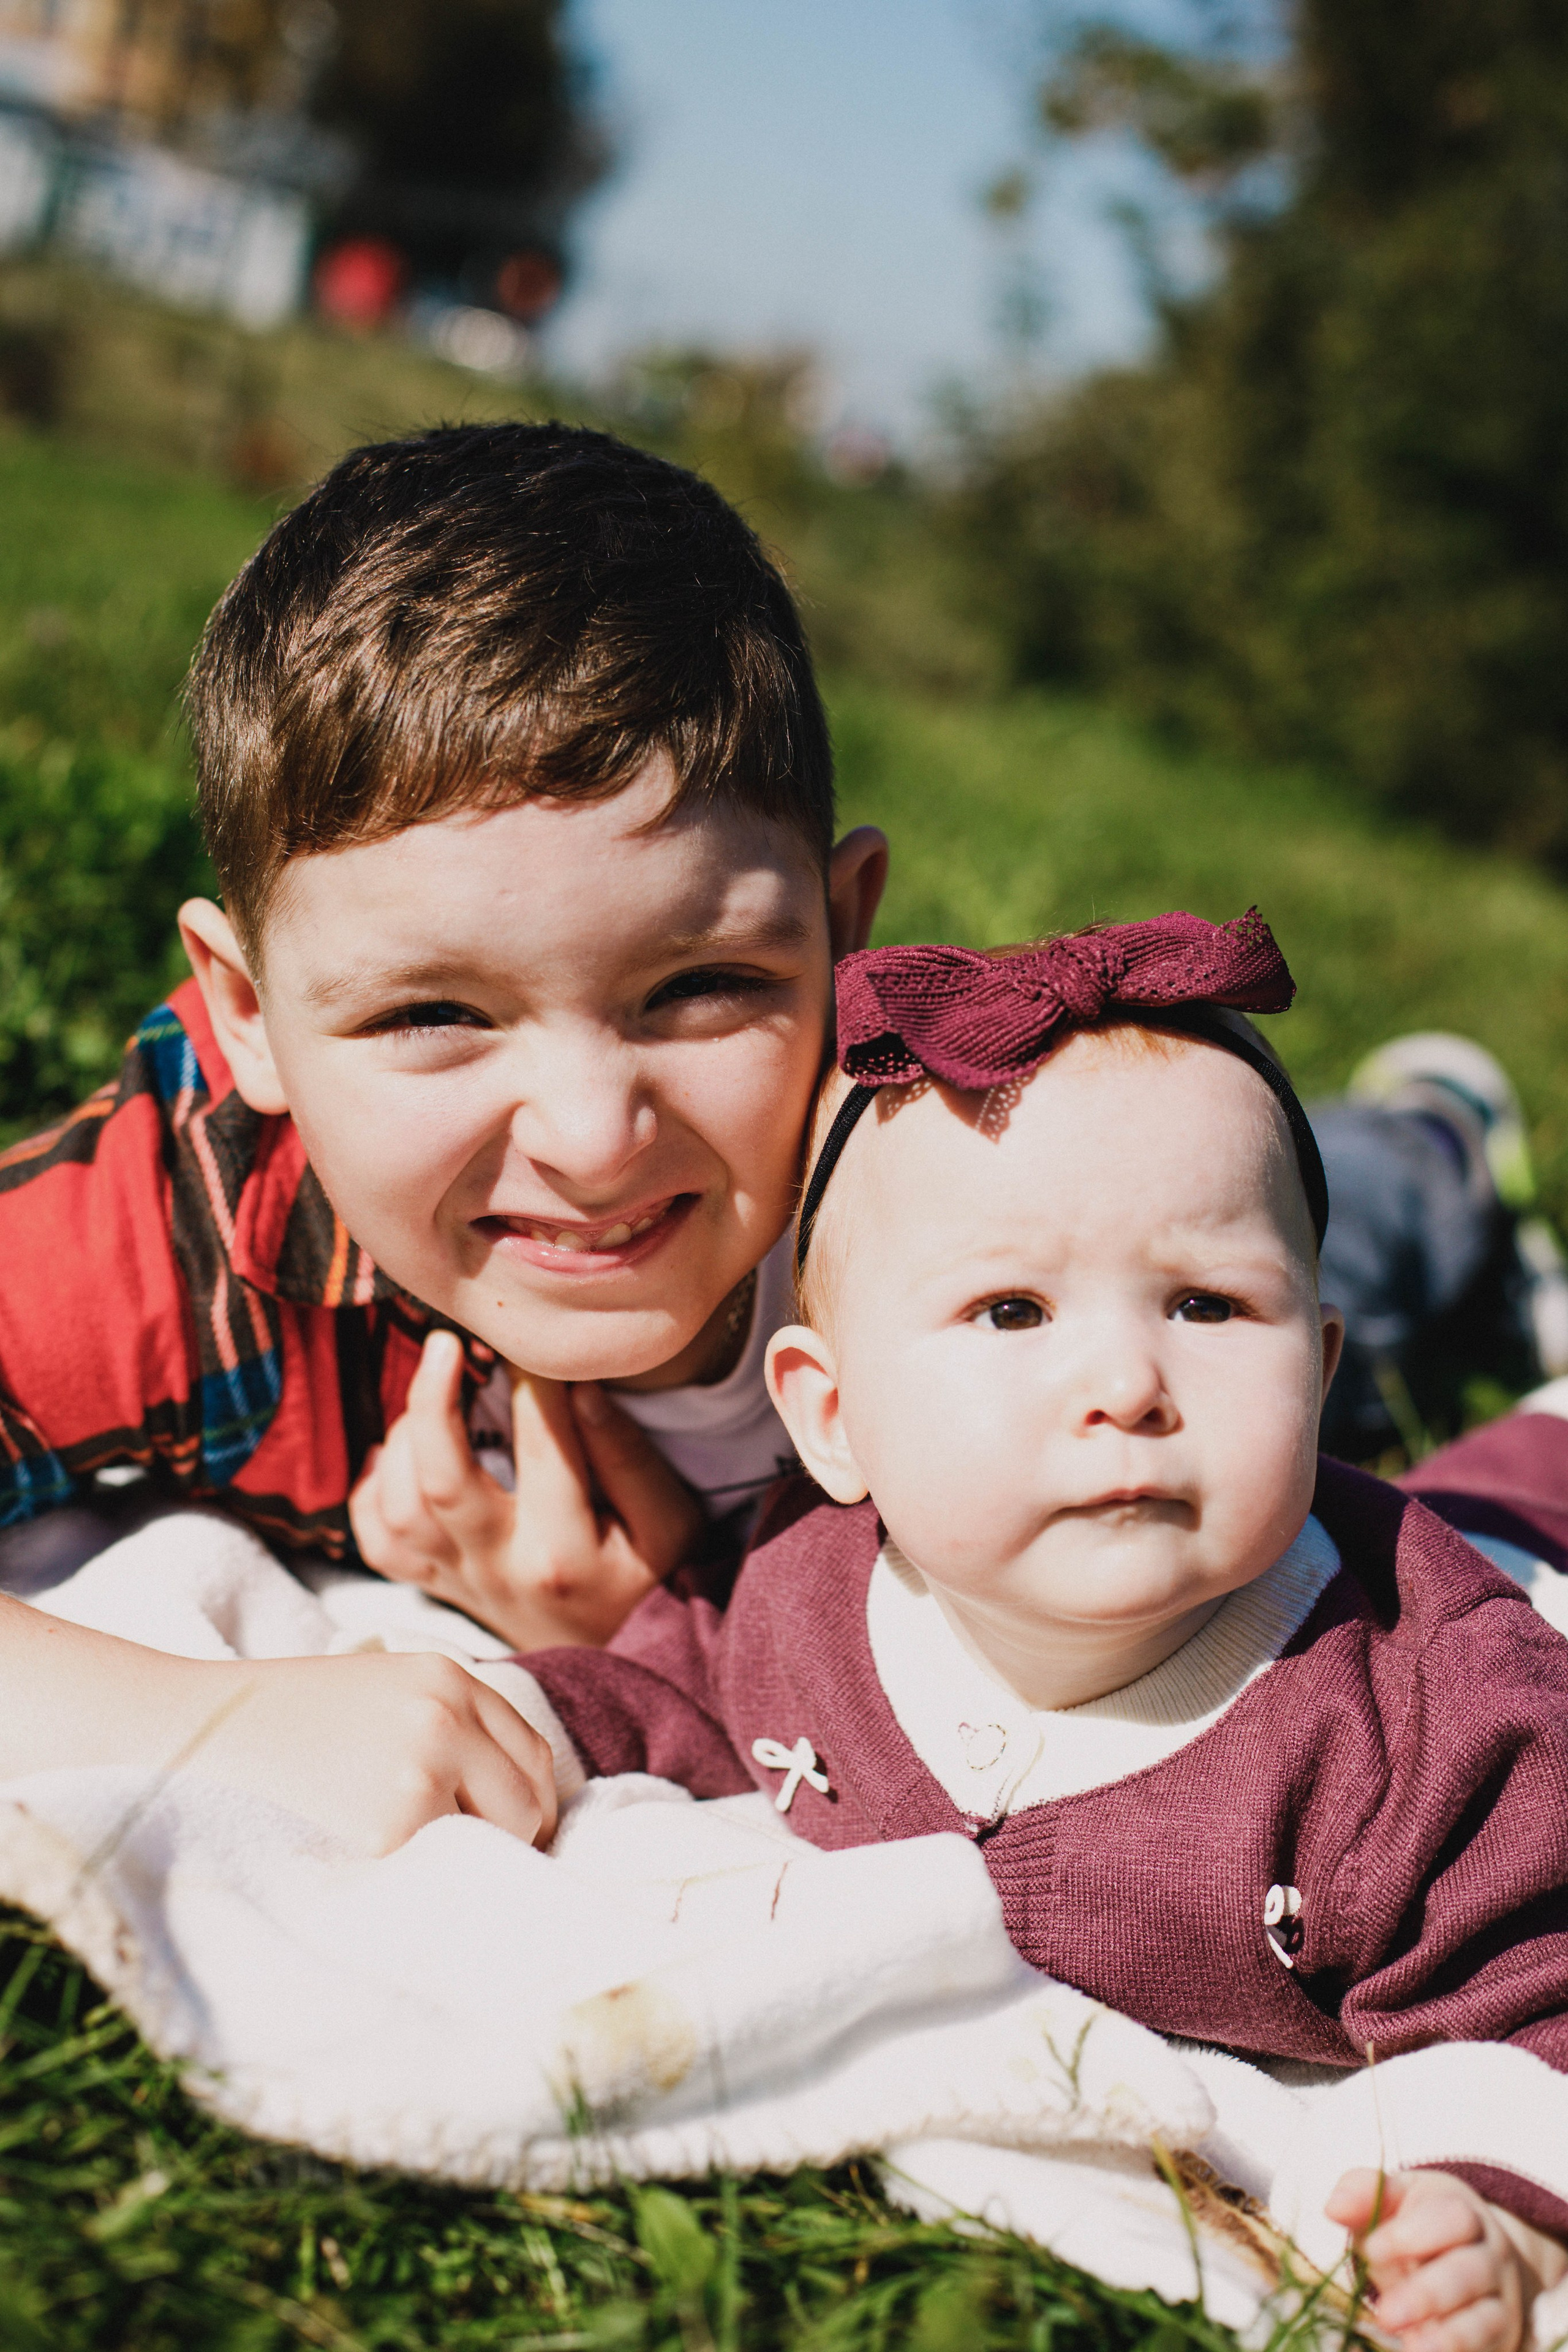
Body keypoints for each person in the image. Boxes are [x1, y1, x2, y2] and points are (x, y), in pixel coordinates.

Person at [515, 911, 1568, 2352]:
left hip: (1530, 1566)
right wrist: (506, 1719)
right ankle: (1423, 1144)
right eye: (1011, 1310)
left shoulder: (1433, 1732)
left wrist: (1491, 2201)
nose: (1127, 1382)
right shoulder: (800, 1596)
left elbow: (1533, 1990)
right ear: (831, 1418)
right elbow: (669, 1697)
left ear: (1312, 1378)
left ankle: (1441, 1166)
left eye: (1207, 1305)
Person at [0, 421, 887, 1852]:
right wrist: (196, 1726)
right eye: (433, 1015)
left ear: (843, 937)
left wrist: (669, 1639)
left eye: (704, 986)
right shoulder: (186, 1228)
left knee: (1334, 1203)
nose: (595, 1139)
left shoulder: (958, 1181)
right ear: (249, 1020)